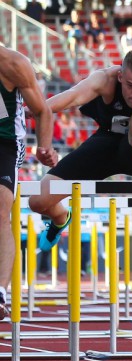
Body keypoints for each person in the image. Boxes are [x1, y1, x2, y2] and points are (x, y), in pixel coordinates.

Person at [28, 49, 132, 253]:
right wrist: (34, 109)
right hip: (105, 142)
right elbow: (71, 97)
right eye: (129, 85)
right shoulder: (105, 79)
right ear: (120, 76)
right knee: (37, 201)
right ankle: (60, 218)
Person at [0, 45, 58, 319]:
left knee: (0, 208)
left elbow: (43, 111)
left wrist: (44, 147)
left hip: (4, 140)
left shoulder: (12, 64)